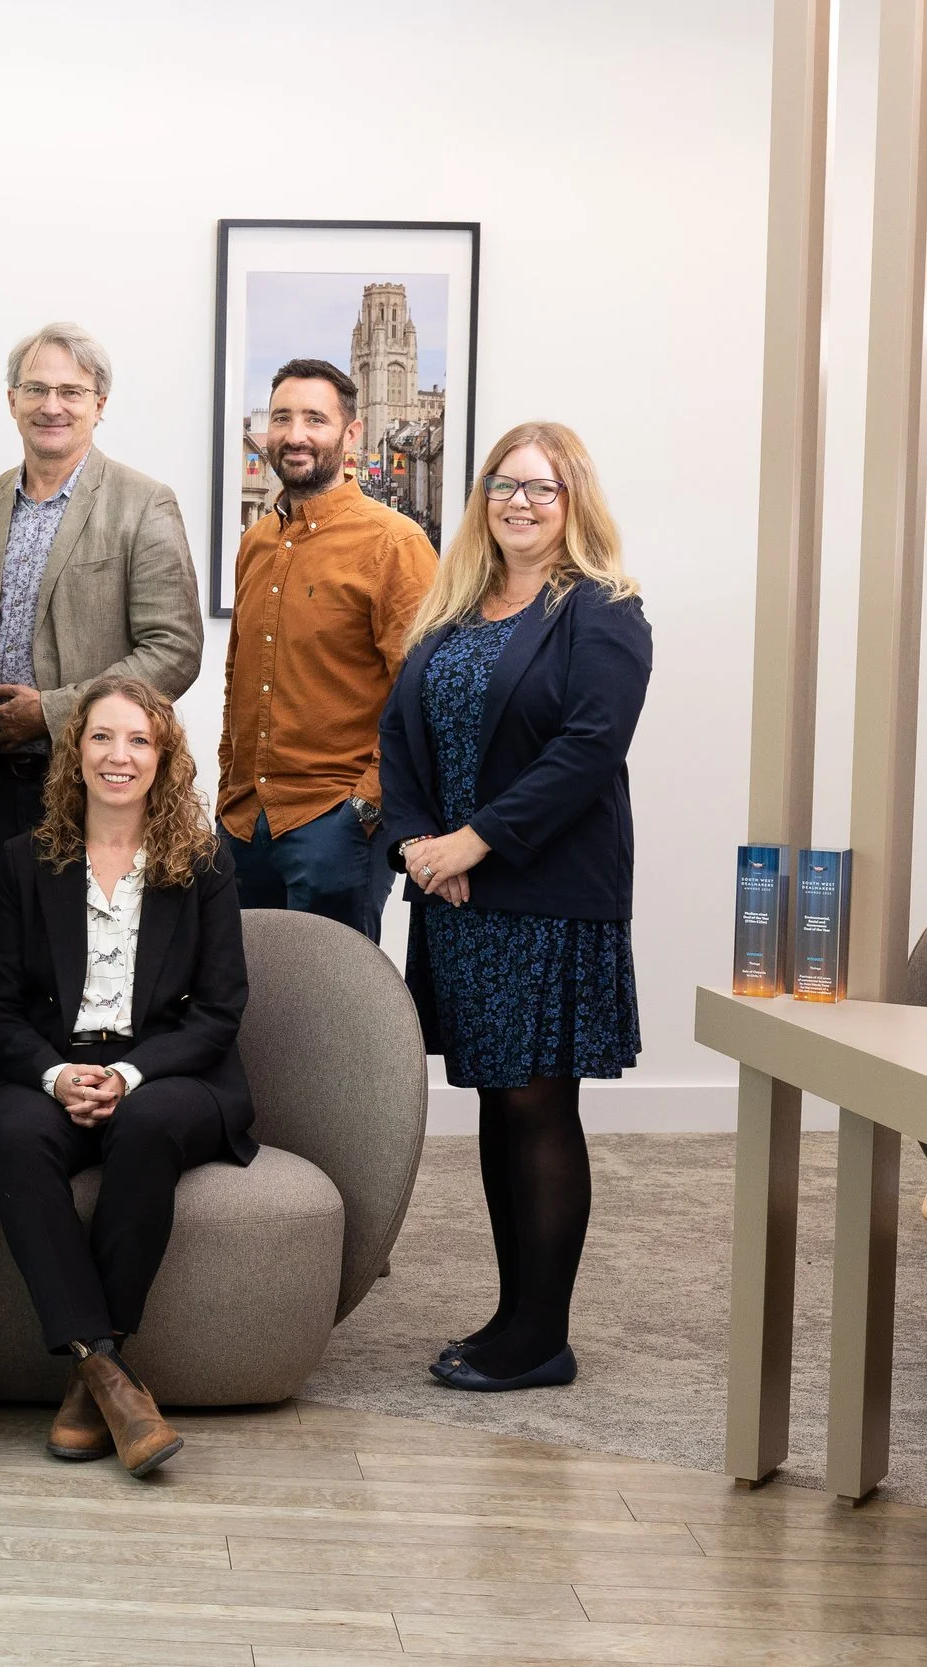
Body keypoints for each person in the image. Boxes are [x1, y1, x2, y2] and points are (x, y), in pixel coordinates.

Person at [378, 422, 650, 1393]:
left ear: (573, 499)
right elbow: (399, 734)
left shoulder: (603, 611)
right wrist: (417, 842)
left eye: (541, 488)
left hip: (543, 895)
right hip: (455, 897)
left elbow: (585, 749)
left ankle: (541, 1335)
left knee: (537, 1101)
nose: (520, 503)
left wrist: (474, 840)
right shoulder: (451, 612)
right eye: (503, 485)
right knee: (499, 1097)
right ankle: (513, 1311)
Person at [0, 675, 256, 1478]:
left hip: (168, 1067)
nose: (118, 755)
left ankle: (89, 1376)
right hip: (54, 1068)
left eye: (137, 739)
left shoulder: (202, 863)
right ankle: (107, 1373)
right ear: (76, 750)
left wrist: (127, 1073)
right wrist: (59, 1073)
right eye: (101, 737)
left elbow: (219, 1011)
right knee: (14, 1135)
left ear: (162, 757)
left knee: (150, 1124)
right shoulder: (27, 863)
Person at [0, 323, 203, 859]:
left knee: (75, 938)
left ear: (100, 405)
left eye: (72, 392)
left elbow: (175, 650)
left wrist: (51, 712)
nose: (53, 406)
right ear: (11, 400)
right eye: (37, 389)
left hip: (91, 781)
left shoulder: (144, 504)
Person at [217, 358, 437, 941]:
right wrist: (225, 788)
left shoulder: (394, 543)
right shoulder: (257, 542)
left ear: (350, 433)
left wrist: (365, 810)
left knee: (330, 1020)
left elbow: (421, 695)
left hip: (334, 827)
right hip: (242, 825)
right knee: (244, 1010)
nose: (295, 434)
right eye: (283, 417)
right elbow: (238, 671)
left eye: (316, 418)